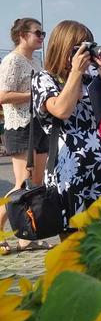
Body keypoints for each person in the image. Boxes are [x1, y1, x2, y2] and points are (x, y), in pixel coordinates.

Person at [31, 20, 101, 226]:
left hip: (97, 161)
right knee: (73, 235)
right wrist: (75, 73)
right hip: (67, 165)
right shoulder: (44, 79)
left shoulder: (91, 79)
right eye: (81, 48)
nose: (86, 54)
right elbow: (62, 110)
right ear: (64, 48)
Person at [0, 17, 50, 252]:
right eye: (37, 33)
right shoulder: (12, 61)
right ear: (22, 35)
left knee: (36, 184)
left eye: (43, 33)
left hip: (38, 124)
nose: (41, 37)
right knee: (22, 184)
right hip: (20, 126)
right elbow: (3, 96)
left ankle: (27, 236)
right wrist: (34, 94)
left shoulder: (36, 59)